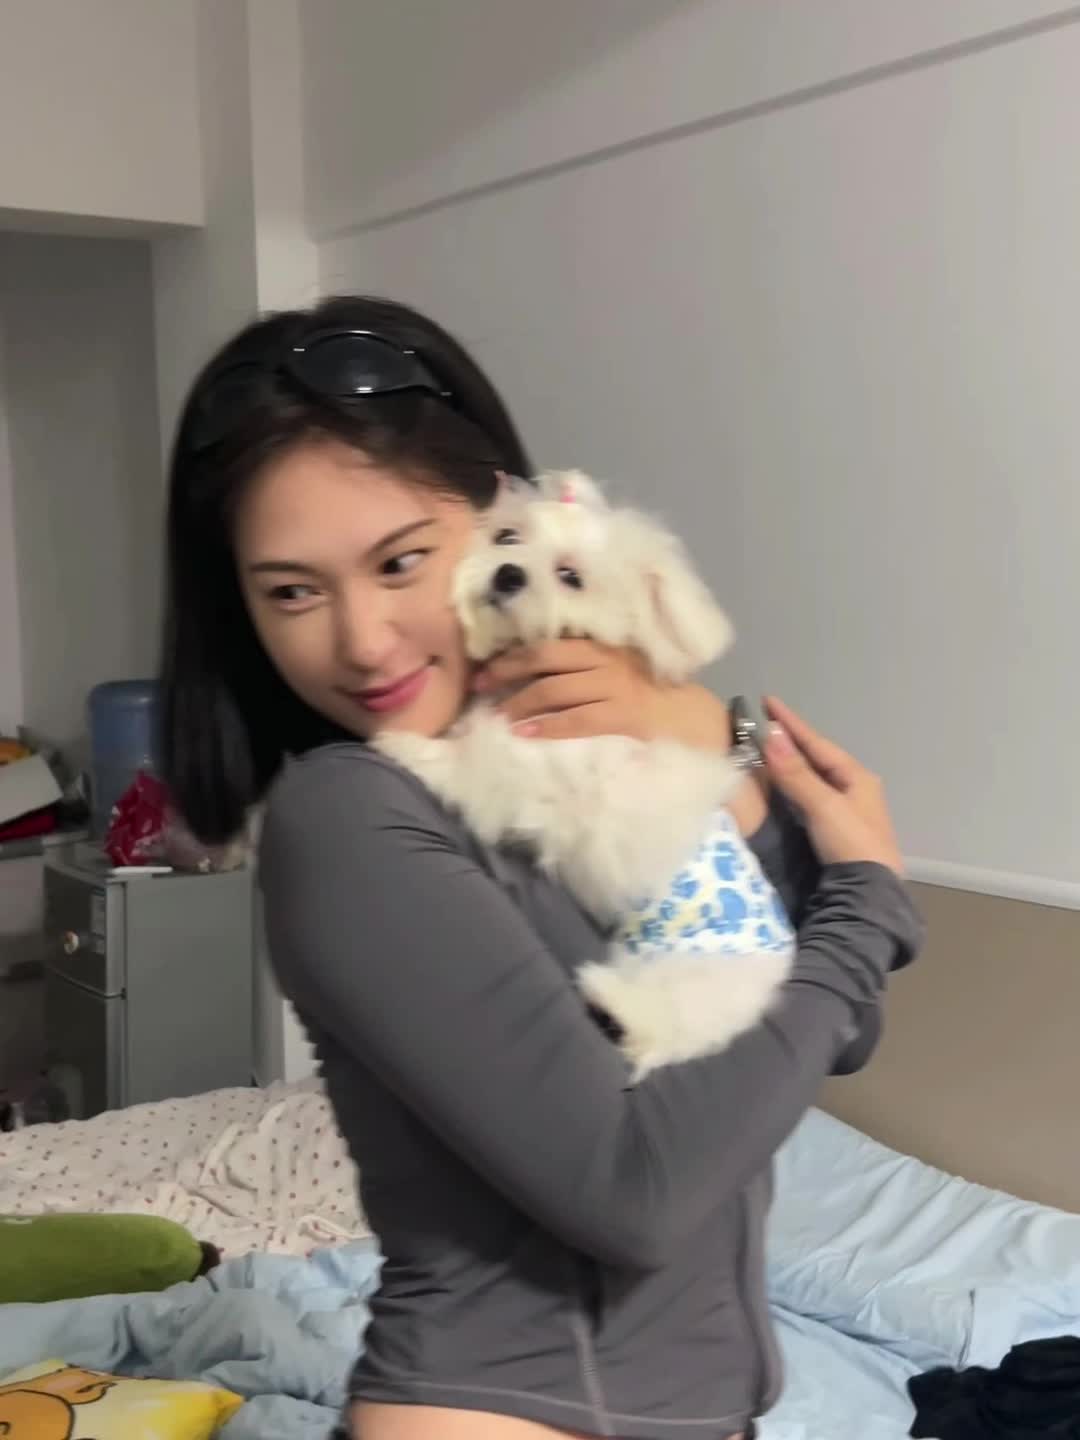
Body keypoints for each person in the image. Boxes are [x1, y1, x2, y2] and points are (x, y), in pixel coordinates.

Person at [160, 295, 923, 1440]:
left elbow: (831, 1031)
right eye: (293, 592)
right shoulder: (348, 814)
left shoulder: (565, 776)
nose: (361, 641)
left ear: (501, 519)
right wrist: (868, 900)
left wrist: (709, 744)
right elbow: (635, 1196)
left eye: (401, 562)